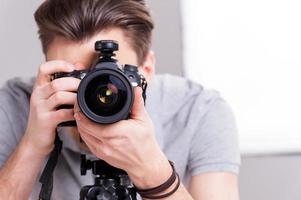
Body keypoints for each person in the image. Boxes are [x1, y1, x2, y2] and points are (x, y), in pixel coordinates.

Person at [0, 0, 240, 199]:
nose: (93, 92)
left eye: (109, 77)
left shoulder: (198, 110)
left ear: (146, 69)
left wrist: (153, 170)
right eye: (75, 77)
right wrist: (32, 146)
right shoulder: (16, 105)